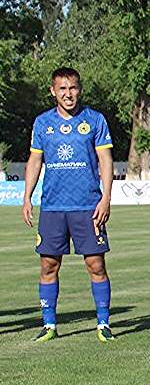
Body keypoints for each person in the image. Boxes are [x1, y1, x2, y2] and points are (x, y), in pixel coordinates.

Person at [22, 67, 116, 343]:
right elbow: (35, 161)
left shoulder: (95, 120)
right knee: (48, 266)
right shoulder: (42, 123)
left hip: (88, 206)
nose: (68, 94)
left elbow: (105, 160)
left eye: (73, 88)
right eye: (62, 89)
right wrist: (27, 196)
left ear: (80, 89)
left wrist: (106, 198)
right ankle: (49, 325)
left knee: (96, 265)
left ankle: (103, 324)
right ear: (53, 91)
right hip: (53, 207)